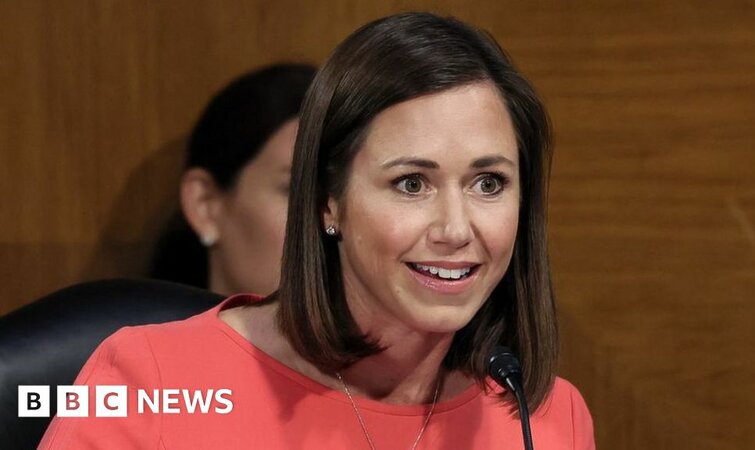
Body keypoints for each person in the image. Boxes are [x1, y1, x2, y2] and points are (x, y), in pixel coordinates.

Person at [39, 12, 594, 449]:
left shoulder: (545, 418)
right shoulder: (149, 379)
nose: (455, 228)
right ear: (329, 201)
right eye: (411, 184)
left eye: (489, 183)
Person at [149, 63, 316, 296]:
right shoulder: (129, 318)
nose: (329, 221)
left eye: (340, 192)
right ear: (204, 204)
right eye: (297, 191)